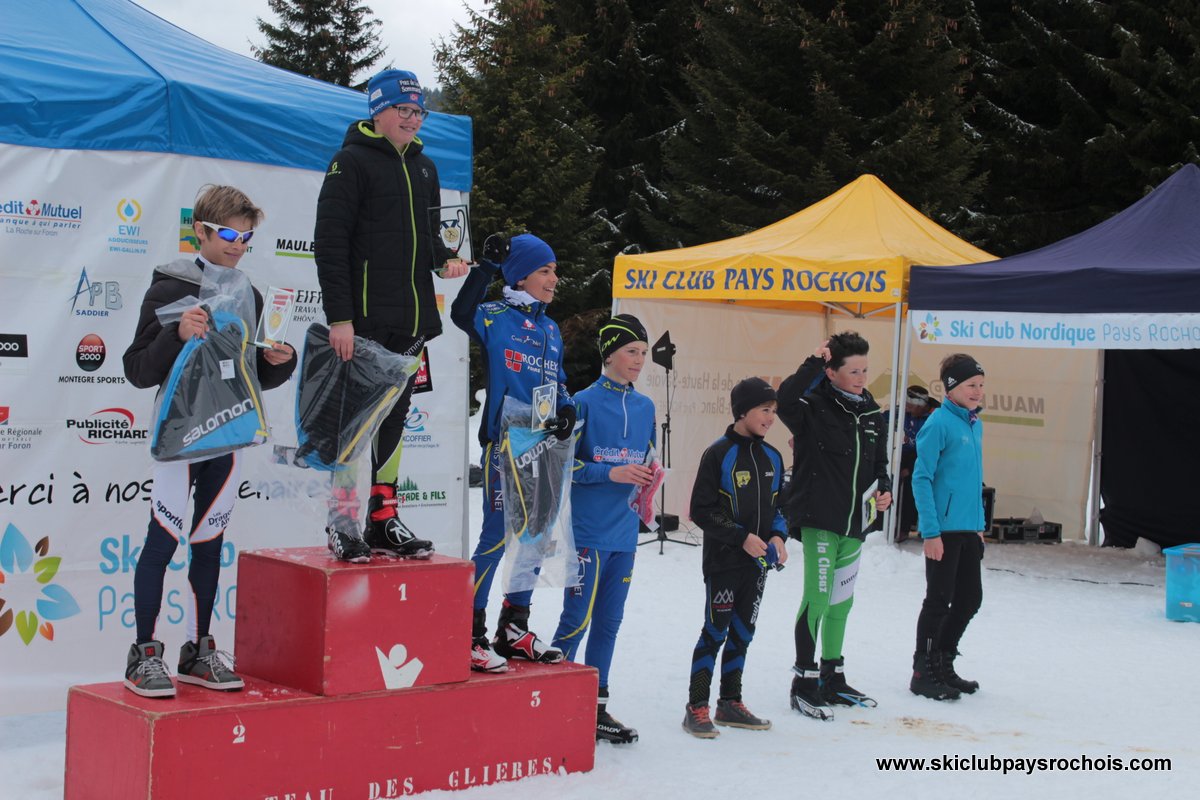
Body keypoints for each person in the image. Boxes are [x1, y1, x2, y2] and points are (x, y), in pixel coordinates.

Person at [122, 185, 297, 698]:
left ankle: (199, 650)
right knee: (162, 540)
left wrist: (274, 365)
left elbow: (247, 377)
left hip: (227, 436)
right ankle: (144, 653)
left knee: (208, 543)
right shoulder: (169, 286)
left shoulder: (250, 291)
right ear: (200, 230)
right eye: (227, 235)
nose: (238, 245)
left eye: (246, 237)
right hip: (179, 435)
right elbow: (137, 370)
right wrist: (173, 335)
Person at [314, 68, 468, 562]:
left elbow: (427, 239)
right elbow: (331, 245)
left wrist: (445, 258)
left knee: (395, 420)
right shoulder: (350, 163)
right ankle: (342, 523)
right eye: (403, 109)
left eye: (418, 111)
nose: (412, 119)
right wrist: (340, 317)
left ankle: (382, 518)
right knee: (353, 422)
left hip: (412, 321)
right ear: (376, 111)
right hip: (362, 322)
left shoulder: (425, 168)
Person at [450, 233, 576, 673]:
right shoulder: (495, 314)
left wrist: (567, 410)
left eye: (555, 269)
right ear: (520, 275)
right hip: (505, 444)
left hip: (542, 446)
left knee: (535, 537)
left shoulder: (550, 327)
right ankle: (467, 631)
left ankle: (513, 626)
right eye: (545, 270)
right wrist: (485, 268)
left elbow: (557, 381)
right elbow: (459, 313)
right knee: (496, 538)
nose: (554, 278)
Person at [551, 314, 657, 745]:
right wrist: (611, 474)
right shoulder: (583, 401)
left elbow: (645, 461)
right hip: (588, 532)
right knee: (576, 619)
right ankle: (554, 704)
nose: (639, 361)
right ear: (609, 353)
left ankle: (595, 708)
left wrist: (649, 480)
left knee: (609, 623)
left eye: (644, 354)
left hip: (624, 535)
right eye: (632, 351)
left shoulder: (647, 406)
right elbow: (564, 466)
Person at [777, 332, 892, 720]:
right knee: (818, 596)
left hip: (855, 521)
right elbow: (783, 400)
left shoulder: (872, 410)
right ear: (831, 371)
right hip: (820, 519)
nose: (861, 377)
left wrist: (885, 490)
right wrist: (812, 361)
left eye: (865, 369)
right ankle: (804, 680)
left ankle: (832, 674)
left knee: (843, 603)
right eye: (853, 370)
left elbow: (880, 465)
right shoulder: (812, 405)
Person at [682, 378, 788, 739]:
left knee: (743, 633)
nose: (771, 418)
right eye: (764, 410)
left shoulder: (773, 457)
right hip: (724, 562)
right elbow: (701, 510)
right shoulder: (719, 453)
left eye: (774, 411)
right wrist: (741, 537)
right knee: (715, 631)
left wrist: (778, 536)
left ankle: (730, 702)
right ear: (742, 411)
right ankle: (696, 707)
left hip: (756, 567)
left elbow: (779, 509)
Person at [909, 354, 987, 701]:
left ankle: (943, 661)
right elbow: (922, 478)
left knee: (970, 598)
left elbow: (974, 480)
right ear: (951, 387)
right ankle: (922, 670)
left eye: (982, 386)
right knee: (938, 600)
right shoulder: (938, 423)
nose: (978, 391)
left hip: (967, 529)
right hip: (942, 530)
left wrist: (980, 525)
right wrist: (930, 531)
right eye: (971, 385)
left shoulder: (974, 424)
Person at [884, 386, 939, 541]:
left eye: (909, 406)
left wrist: (910, 469)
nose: (906, 409)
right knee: (889, 480)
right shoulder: (905, 412)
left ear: (920, 405)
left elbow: (932, 451)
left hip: (928, 459)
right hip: (908, 454)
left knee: (909, 486)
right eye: (905, 405)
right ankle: (887, 525)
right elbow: (881, 418)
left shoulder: (935, 418)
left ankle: (904, 528)